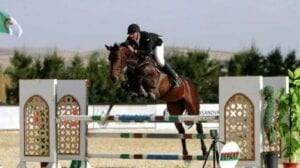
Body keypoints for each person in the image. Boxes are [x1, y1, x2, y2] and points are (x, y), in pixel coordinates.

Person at [123, 23, 180, 89]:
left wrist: (135, 51)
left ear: (137, 32)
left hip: (157, 43)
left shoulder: (146, 36)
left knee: (159, 60)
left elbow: (148, 51)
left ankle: (175, 77)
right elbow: (125, 43)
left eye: (133, 34)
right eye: (130, 34)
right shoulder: (130, 38)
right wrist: (128, 46)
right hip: (147, 47)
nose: (131, 36)